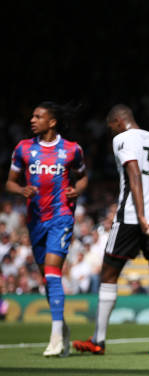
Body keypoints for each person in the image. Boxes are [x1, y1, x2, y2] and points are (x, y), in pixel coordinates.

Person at [72, 104, 149, 357]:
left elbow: (134, 173)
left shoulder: (123, 138)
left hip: (132, 216)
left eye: (111, 127)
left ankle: (98, 339)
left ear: (119, 121)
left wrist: (141, 215)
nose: (111, 133)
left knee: (108, 273)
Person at [5, 102, 88, 356]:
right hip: (35, 221)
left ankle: (54, 338)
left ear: (52, 122)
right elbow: (10, 182)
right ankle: (61, 328)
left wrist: (78, 189)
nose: (32, 119)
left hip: (61, 217)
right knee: (46, 278)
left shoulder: (72, 150)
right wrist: (21, 190)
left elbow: (83, 176)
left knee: (53, 273)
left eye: (38, 116)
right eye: (32, 115)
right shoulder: (24, 148)